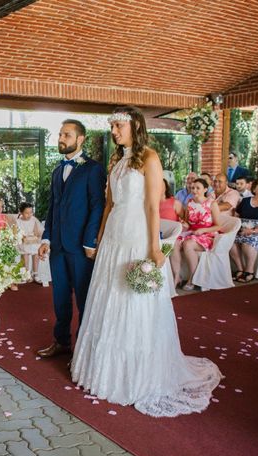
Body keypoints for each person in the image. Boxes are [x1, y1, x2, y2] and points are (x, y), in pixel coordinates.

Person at [71, 105, 222, 417]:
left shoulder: (150, 157)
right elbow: (110, 204)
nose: (113, 131)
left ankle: (137, 373)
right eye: (112, 126)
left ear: (134, 127)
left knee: (132, 299)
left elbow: (153, 207)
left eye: (118, 126)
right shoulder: (116, 159)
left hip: (137, 236)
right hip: (113, 237)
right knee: (108, 298)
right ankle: (102, 370)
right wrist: (98, 236)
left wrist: (154, 247)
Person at [36, 119, 106, 358]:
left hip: (80, 247)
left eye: (66, 134)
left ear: (80, 139)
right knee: (60, 298)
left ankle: (83, 352)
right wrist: (46, 239)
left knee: (85, 299)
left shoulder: (93, 168)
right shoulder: (57, 171)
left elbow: (98, 206)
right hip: (58, 246)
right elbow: (53, 208)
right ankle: (61, 341)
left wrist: (90, 241)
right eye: (60, 134)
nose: (61, 138)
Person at [171, 178, 222, 290]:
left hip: (208, 234)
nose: (194, 190)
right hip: (192, 233)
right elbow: (188, 223)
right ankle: (176, 276)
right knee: (174, 242)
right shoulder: (190, 203)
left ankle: (193, 278)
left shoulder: (212, 204)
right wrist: (185, 224)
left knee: (188, 244)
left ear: (205, 189)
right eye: (193, 187)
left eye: (198, 188)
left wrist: (203, 230)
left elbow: (219, 226)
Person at [230, 177, 258, 283]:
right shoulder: (245, 201)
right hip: (242, 229)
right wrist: (238, 228)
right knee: (230, 241)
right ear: (254, 188)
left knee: (248, 243)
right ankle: (240, 269)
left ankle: (250, 271)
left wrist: (253, 231)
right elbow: (236, 216)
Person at [15, 202, 43, 282]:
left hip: (33, 240)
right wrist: (25, 238)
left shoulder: (33, 219)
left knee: (36, 252)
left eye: (31, 212)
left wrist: (34, 237)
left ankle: (35, 273)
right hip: (23, 241)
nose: (29, 215)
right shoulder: (18, 221)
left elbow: (37, 232)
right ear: (21, 212)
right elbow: (19, 234)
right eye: (27, 213)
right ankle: (26, 273)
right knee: (25, 254)